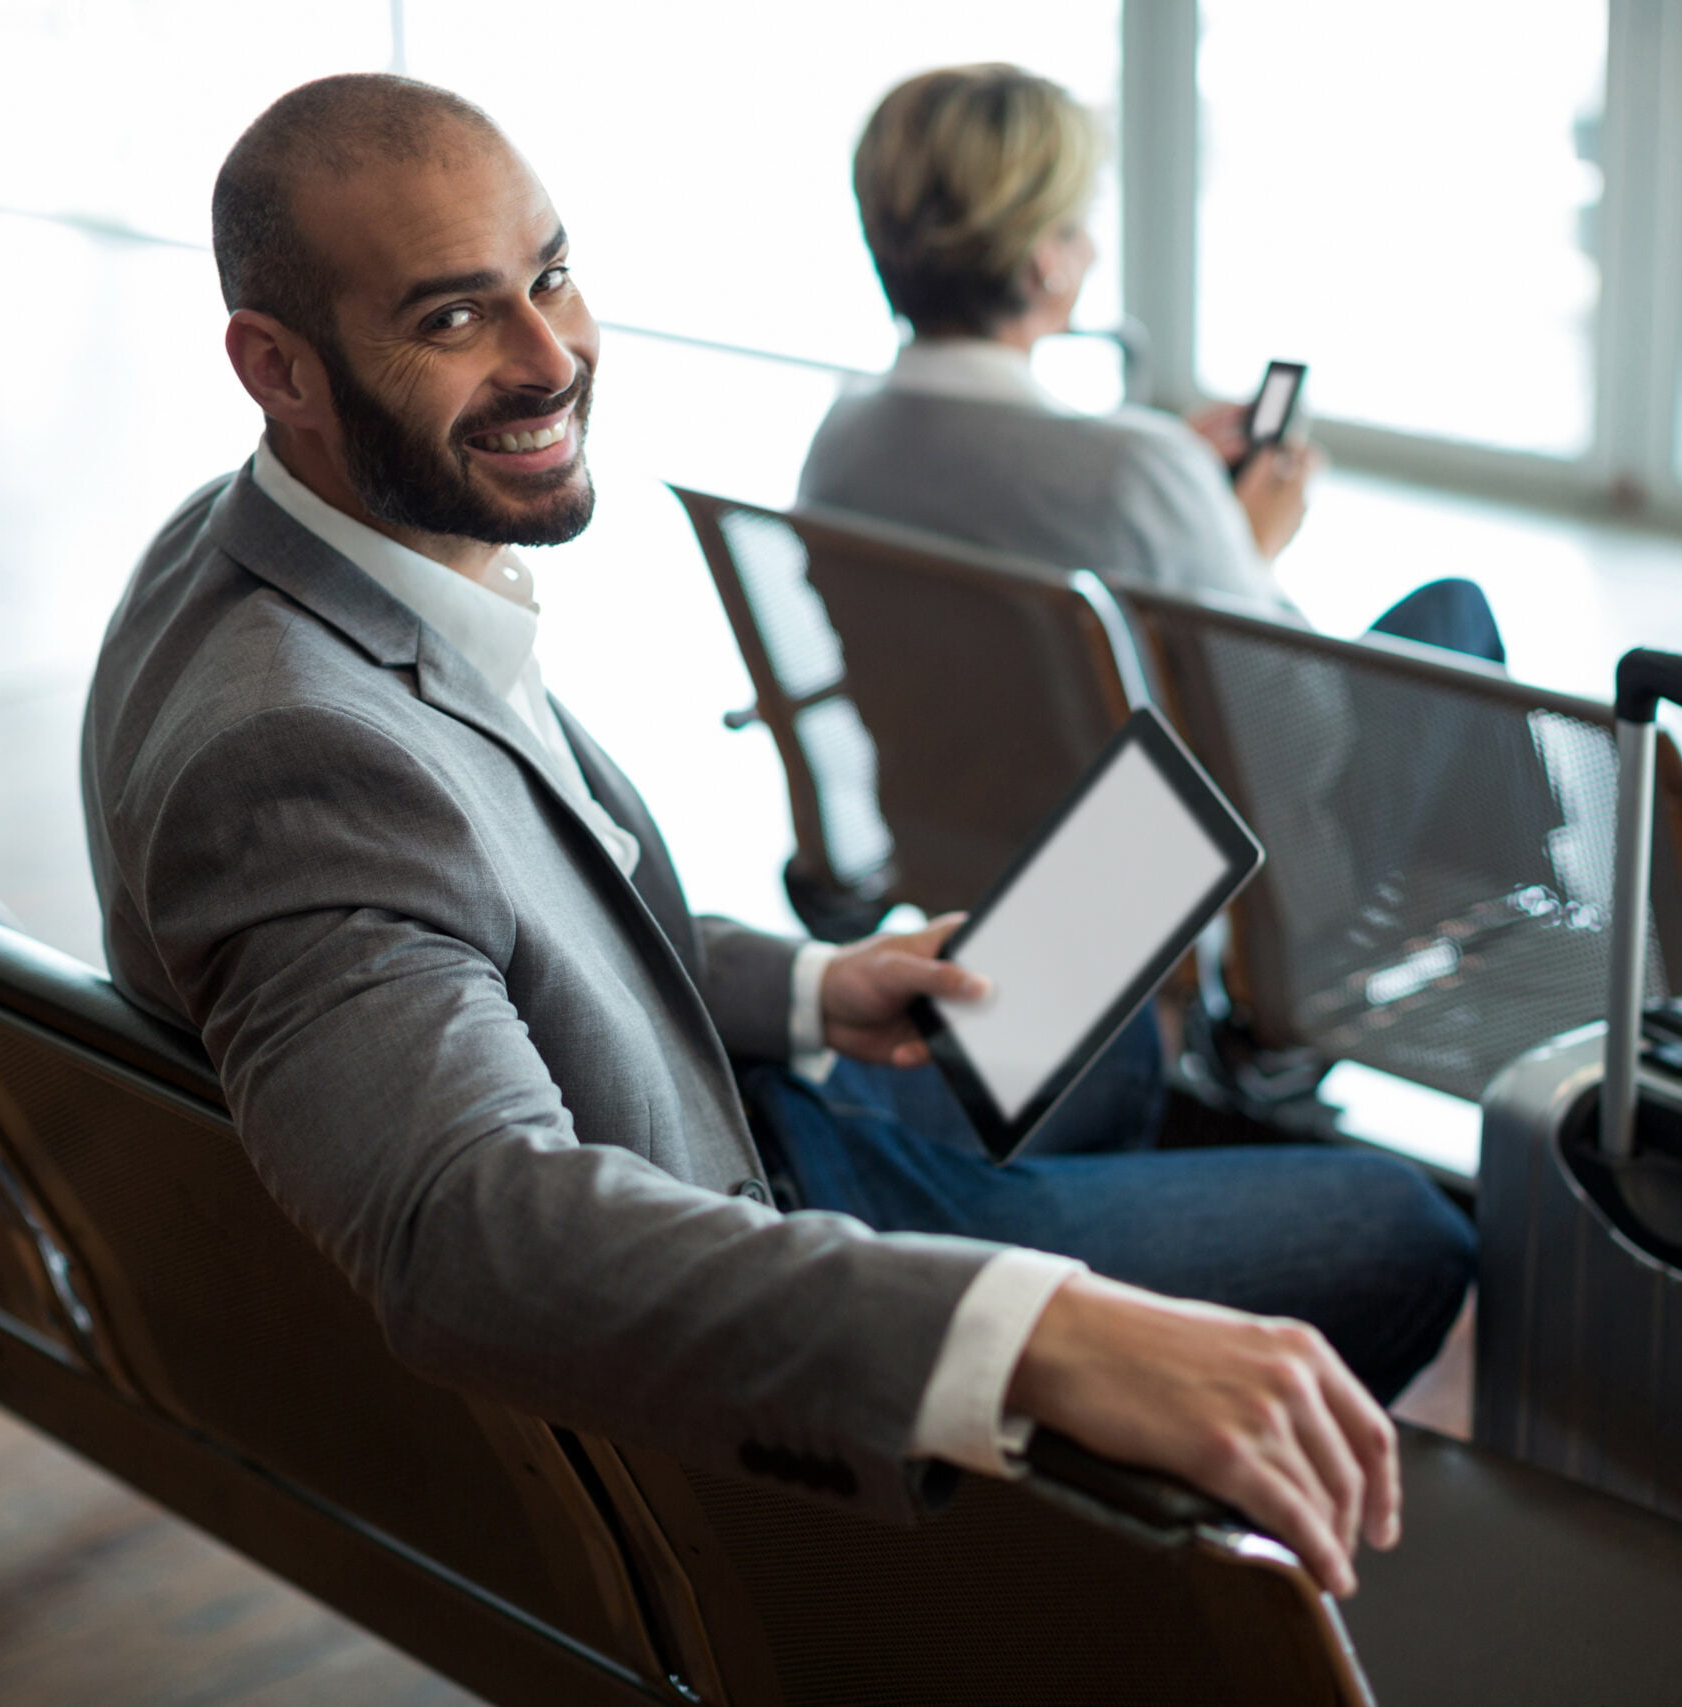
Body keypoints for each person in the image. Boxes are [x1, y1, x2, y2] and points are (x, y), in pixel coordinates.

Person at [84, 72, 1472, 1599]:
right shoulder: (295, 756)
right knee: (1404, 1221)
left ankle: (1066, 1409)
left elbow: (513, 903)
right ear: (276, 368)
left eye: (550, 274)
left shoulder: (271, 558)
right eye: (452, 318)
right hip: (747, 1238)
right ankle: (1046, 1534)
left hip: (741, 1100)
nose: (553, 356)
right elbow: (467, 1230)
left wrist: (808, 987)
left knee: (1105, 1032)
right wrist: (1030, 1326)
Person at [801, 63, 1505, 666]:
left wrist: (1180, 486)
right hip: (1159, 823)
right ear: (1045, 260)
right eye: (1079, 224)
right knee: (1455, 613)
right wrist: (1248, 546)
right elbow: (1303, 739)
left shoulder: (838, 443)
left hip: (950, 817)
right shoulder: (1135, 474)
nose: (1094, 252)